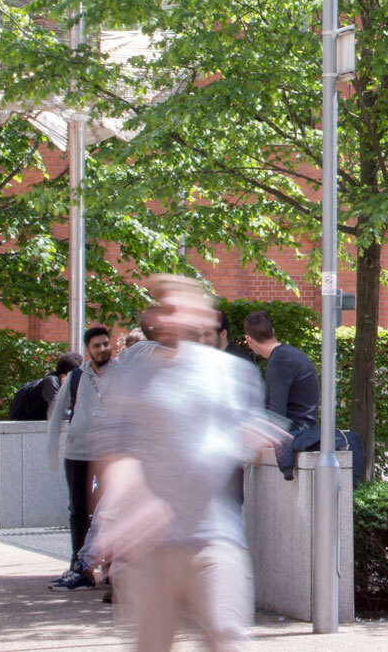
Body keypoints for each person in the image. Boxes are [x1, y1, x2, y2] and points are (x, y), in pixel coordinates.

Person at [91, 275, 283, 652]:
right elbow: (117, 454)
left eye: (178, 306)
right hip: (147, 546)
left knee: (228, 638)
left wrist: (247, 438)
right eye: (163, 307)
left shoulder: (233, 374)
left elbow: (237, 440)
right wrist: (120, 515)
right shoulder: (135, 374)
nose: (168, 316)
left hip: (213, 538)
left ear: (204, 316)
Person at [48, 326, 117, 590]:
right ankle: (79, 566)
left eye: (106, 344)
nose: (102, 349)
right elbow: (57, 412)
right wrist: (52, 447)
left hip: (108, 455)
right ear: (88, 349)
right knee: (79, 511)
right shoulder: (77, 376)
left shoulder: (122, 376)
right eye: (97, 345)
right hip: (77, 454)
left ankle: (110, 566)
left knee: (109, 512)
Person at [240, 313, 318, 438]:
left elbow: (277, 414)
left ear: (248, 339)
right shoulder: (287, 354)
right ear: (272, 331)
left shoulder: (279, 361)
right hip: (304, 428)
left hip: (295, 433)